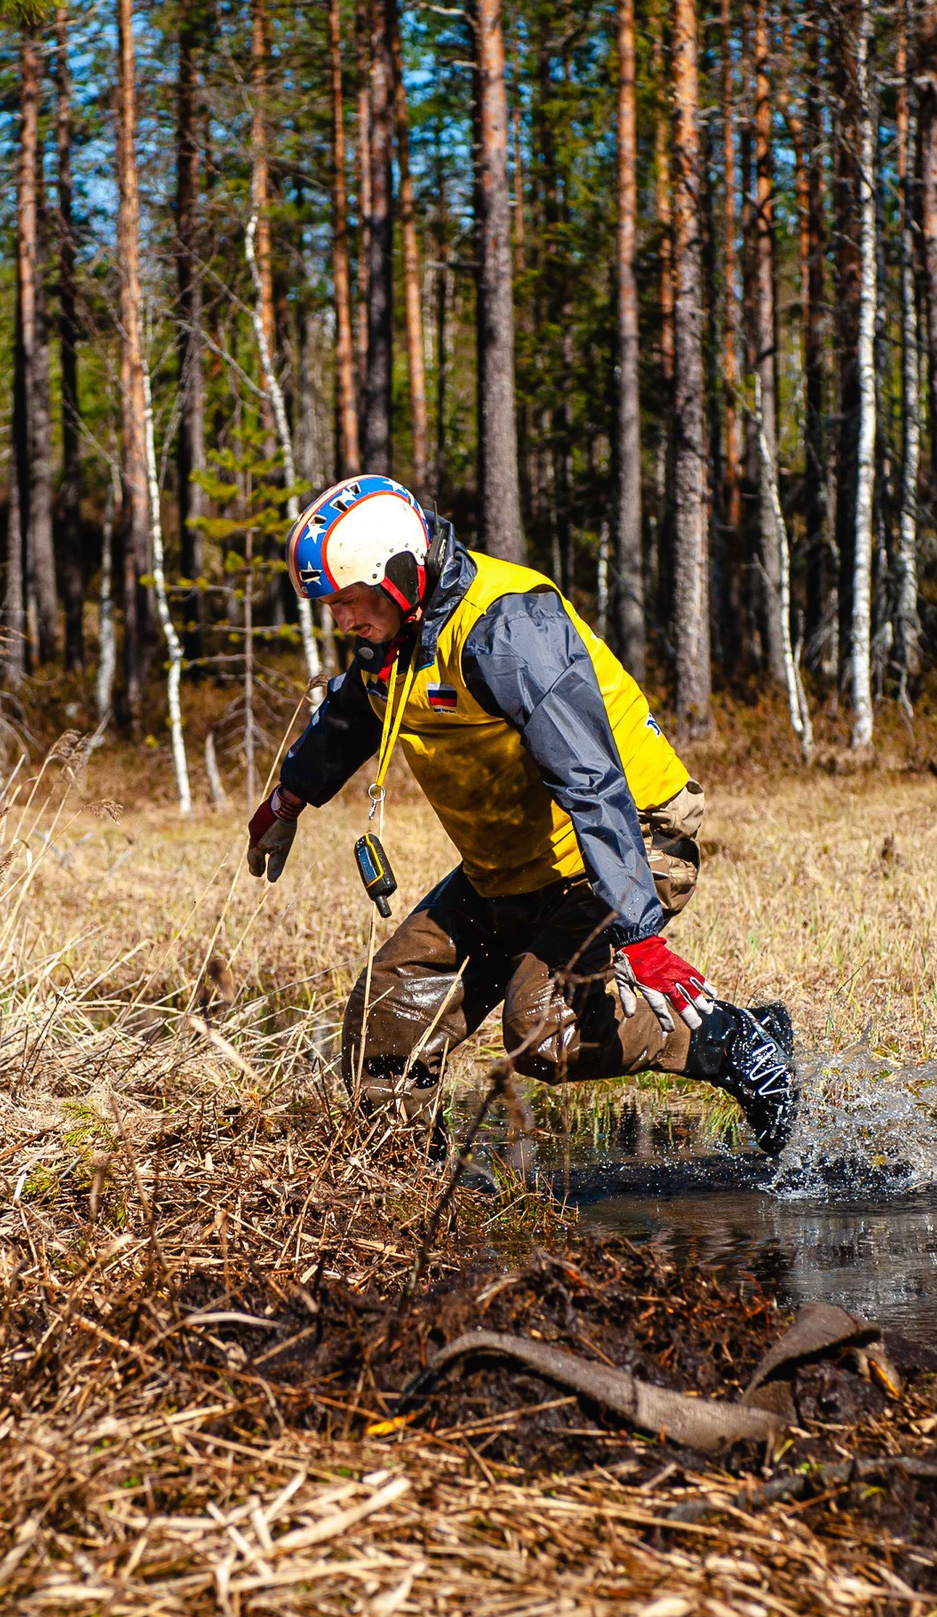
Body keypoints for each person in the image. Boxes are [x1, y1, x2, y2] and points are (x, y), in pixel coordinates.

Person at [244, 475, 797, 1154]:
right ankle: (397, 1188)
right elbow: (355, 713)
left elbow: (591, 779)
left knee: (543, 1026)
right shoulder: (396, 632)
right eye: (334, 606)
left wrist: (639, 936)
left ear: (399, 575)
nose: (343, 621)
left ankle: (737, 1042)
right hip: (514, 867)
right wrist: (288, 797)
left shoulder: (508, 630)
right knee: (388, 1010)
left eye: (351, 602)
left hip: (635, 837)